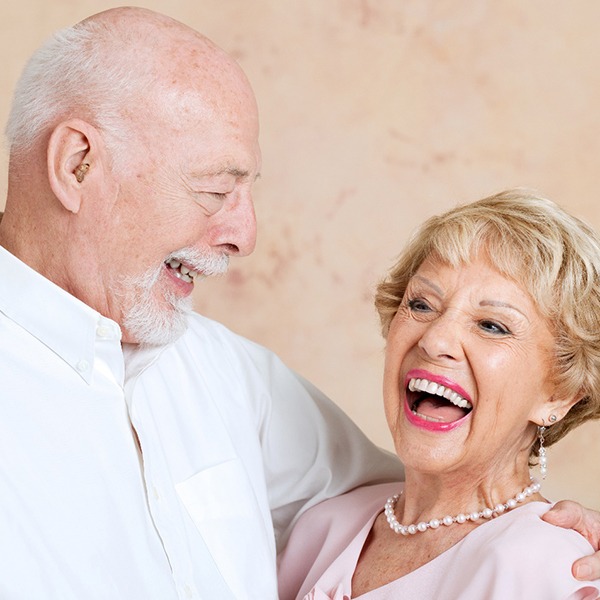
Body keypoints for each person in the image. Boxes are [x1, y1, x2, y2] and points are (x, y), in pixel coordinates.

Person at [0, 7, 597, 599]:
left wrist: (552, 540)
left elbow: (435, 496)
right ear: (77, 165)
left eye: (492, 323)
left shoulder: (227, 374)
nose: (246, 235)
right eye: (214, 189)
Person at [278, 190, 600, 599]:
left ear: (560, 394)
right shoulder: (323, 528)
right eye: (422, 304)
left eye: (492, 325)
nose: (434, 339)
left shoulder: (546, 562)